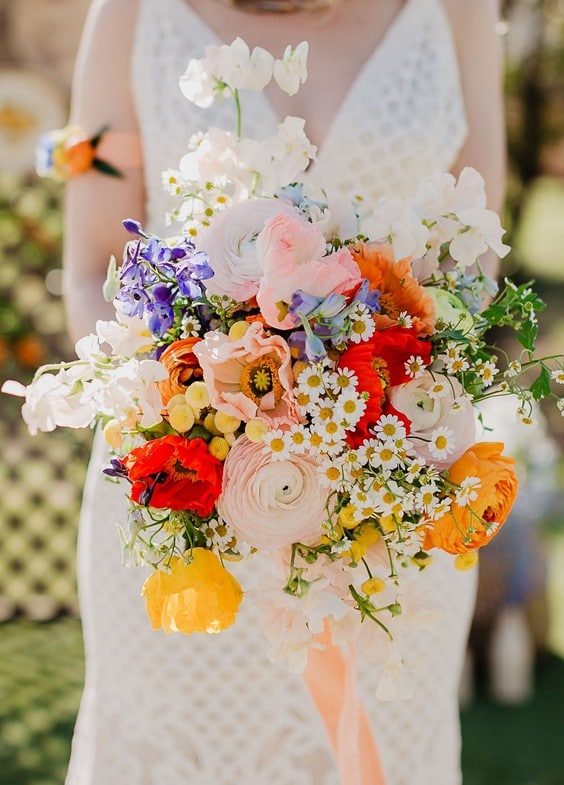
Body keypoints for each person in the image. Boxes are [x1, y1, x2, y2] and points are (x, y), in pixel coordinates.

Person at [62, 1, 505, 783]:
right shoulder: (131, 12)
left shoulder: (458, 13)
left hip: (392, 514)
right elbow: (93, 258)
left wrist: (369, 422)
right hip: (184, 502)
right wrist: (190, 404)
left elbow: (475, 262)